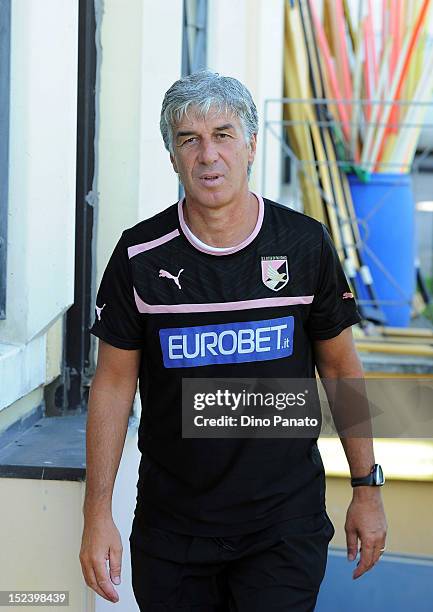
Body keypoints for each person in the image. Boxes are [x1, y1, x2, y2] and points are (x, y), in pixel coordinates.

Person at [80, 70, 387, 611]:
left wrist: (367, 488)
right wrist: (97, 514)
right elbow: (112, 386)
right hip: (174, 529)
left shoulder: (304, 244)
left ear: (250, 145)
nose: (207, 155)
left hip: (282, 525)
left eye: (222, 134)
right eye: (188, 139)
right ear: (171, 156)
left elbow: (341, 371)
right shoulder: (139, 257)